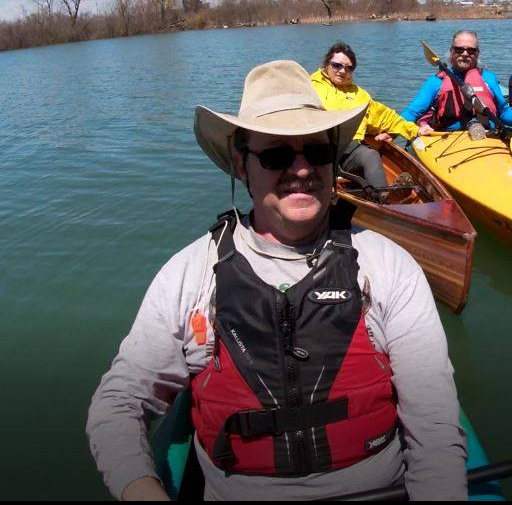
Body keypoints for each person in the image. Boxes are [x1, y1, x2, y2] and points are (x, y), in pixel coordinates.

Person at [87, 60, 466, 501]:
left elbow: (434, 422)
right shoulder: (190, 274)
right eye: (277, 154)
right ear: (242, 166)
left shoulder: (389, 267)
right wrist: (141, 490)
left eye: (318, 152)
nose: (302, 170)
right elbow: (117, 405)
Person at [310, 41, 432, 190]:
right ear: (327, 64)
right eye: (337, 65)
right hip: (317, 149)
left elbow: (388, 118)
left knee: (371, 156)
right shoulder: (310, 86)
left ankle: (382, 199)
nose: (342, 71)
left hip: (349, 150)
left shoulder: (360, 95)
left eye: (348, 68)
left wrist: (415, 130)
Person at [402, 29, 512, 131]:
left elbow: (503, 112)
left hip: (486, 137)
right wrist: (392, 131)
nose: (465, 54)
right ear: (451, 52)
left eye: (470, 50)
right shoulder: (436, 82)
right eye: (459, 50)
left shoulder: (488, 78)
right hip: (447, 141)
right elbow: (412, 113)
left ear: (477, 54)